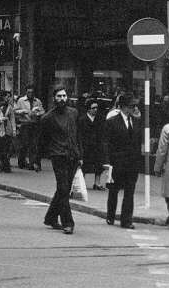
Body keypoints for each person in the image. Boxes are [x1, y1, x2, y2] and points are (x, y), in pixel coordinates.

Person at [38, 87, 82, 234]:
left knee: (64, 189)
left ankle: (50, 217)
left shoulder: (73, 113)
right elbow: (42, 140)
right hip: (58, 156)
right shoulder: (48, 118)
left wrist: (80, 154)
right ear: (54, 98)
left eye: (64, 96)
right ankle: (68, 222)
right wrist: (39, 158)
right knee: (63, 188)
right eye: (59, 96)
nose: (62, 98)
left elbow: (78, 135)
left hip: (73, 155)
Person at [103, 94, 143, 229]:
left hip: (132, 163)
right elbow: (106, 143)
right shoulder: (112, 121)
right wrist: (107, 162)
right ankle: (111, 215)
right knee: (114, 190)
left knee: (129, 192)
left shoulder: (137, 122)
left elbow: (138, 142)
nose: (134, 108)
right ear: (123, 107)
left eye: (135, 106)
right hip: (117, 162)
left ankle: (126, 220)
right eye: (131, 106)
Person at [14, 86, 45, 170]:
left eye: (32, 92)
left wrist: (38, 113)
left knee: (33, 144)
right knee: (24, 144)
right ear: (26, 92)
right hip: (25, 124)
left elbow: (42, 111)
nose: (30, 94)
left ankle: (32, 163)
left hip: (34, 124)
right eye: (28, 92)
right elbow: (15, 111)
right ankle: (21, 162)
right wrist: (23, 111)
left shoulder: (37, 101)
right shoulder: (21, 101)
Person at [78, 99, 106, 190]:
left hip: (97, 146)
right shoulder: (82, 120)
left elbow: (102, 132)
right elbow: (80, 134)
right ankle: (82, 183)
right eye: (93, 108)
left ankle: (97, 183)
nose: (95, 110)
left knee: (99, 164)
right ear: (88, 109)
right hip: (86, 146)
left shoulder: (100, 119)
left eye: (96, 108)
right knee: (84, 165)